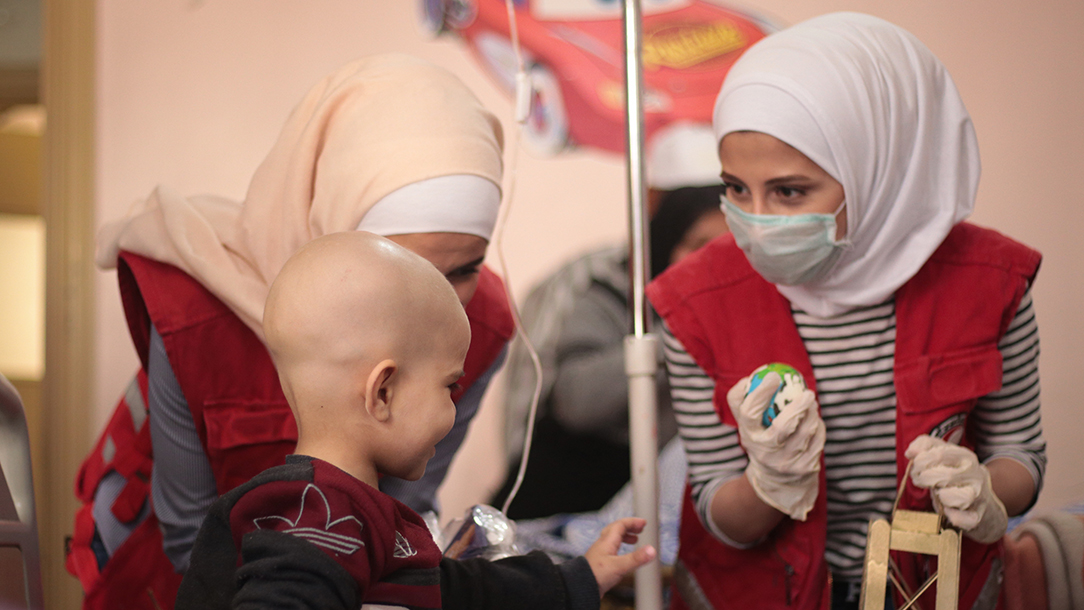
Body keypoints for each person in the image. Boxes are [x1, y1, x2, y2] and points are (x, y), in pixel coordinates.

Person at [67, 54, 515, 610]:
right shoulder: (191, 307)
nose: (443, 300)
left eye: (466, 269)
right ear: (336, 228)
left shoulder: (483, 323)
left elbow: (402, 508)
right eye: (406, 264)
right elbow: (189, 536)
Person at [645, 13, 1045, 610]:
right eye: (734, 188)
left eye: (789, 191)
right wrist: (769, 484)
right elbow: (719, 511)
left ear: (879, 170)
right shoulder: (694, 300)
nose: (756, 221)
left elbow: (1022, 454)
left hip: (930, 591)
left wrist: (986, 495)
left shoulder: (991, 283)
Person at [175, 231, 655, 610]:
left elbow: (458, 590)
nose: (454, 409)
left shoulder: (355, 512)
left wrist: (577, 578)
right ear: (383, 392)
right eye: (449, 386)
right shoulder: (314, 516)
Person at [492, 165, 727, 519]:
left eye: (728, 249)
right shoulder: (607, 292)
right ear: (666, 240)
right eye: (699, 246)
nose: (713, 264)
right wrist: (677, 337)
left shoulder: (743, 314)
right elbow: (574, 401)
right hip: (573, 493)